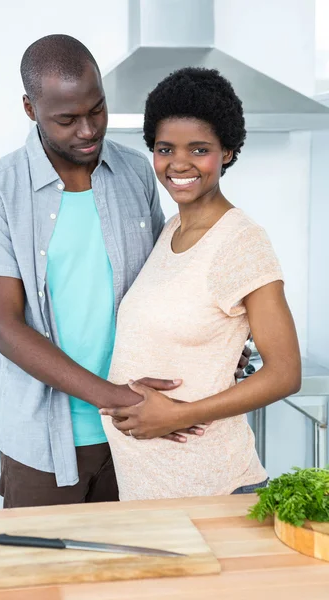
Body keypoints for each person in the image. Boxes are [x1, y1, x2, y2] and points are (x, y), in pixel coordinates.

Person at [0, 36, 249, 509]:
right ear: (31, 109)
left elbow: (164, 282)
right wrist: (119, 399)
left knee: (138, 577)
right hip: (46, 445)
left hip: (142, 436)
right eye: (67, 120)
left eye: (97, 110)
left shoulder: (136, 172)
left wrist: (211, 344)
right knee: (45, 583)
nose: (88, 130)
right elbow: (7, 330)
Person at [100, 67, 301, 500]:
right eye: (165, 148)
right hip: (152, 491)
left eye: (199, 149)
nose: (179, 163)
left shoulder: (241, 242)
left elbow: (285, 373)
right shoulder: (168, 230)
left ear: (227, 151)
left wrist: (179, 414)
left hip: (213, 489)